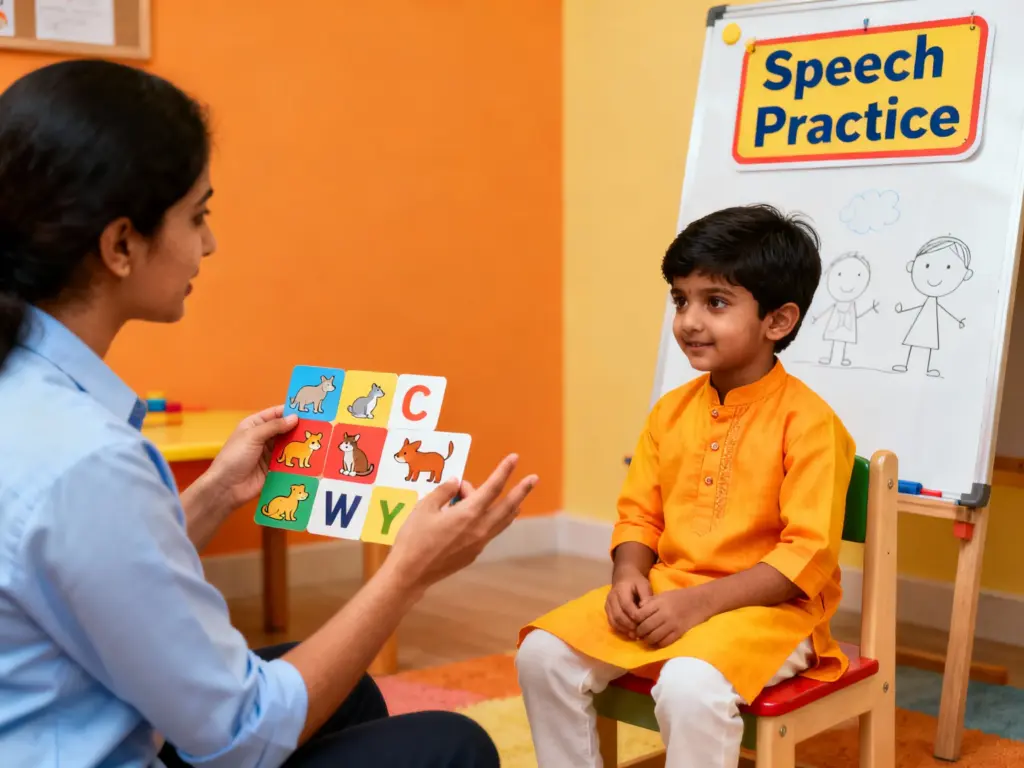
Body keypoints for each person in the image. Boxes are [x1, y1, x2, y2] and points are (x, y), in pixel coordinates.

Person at [0, 59, 538, 767]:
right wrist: (407, 572)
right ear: (122, 244)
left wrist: (217, 492)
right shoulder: (88, 460)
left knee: (352, 699)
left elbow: (95, 573)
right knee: (452, 744)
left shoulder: (30, 400)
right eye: (198, 217)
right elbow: (242, 736)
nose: (210, 244)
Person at [515, 204, 856, 768]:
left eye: (715, 302)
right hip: (668, 592)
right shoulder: (669, 412)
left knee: (690, 686)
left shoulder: (812, 425)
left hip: (773, 616)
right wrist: (628, 573)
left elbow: (808, 555)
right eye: (681, 299)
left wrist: (700, 603)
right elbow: (638, 515)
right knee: (543, 655)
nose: (689, 320)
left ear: (778, 321)